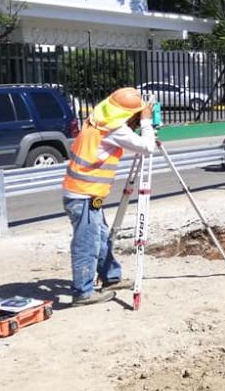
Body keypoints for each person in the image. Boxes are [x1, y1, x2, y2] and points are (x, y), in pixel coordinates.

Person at [62, 88, 156, 306]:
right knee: (87, 242)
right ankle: (83, 292)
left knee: (101, 236)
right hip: (83, 194)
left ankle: (111, 277)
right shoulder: (113, 129)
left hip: (86, 192)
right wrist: (146, 122)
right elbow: (147, 147)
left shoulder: (99, 116)